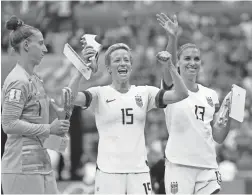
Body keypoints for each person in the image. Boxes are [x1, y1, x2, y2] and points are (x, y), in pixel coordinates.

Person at [65, 41, 189, 194]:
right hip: (108, 172)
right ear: (109, 69)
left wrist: (171, 66)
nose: (122, 63)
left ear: (131, 66)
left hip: (138, 172)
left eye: (126, 60)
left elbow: (181, 94)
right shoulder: (99, 93)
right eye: (117, 60)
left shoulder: (145, 92)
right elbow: (70, 98)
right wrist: (80, 69)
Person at [156, 13, 233, 194]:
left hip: (207, 166)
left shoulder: (211, 95)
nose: (192, 63)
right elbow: (168, 65)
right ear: (179, 63)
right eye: (187, 58)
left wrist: (229, 113)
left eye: (196, 59)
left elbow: (218, 137)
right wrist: (173, 37)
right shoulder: (171, 88)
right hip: (179, 165)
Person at [1, 16, 70, 194]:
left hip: (41, 166)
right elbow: (8, 124)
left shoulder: (36, 80)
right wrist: (49, 128)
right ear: (25, 45)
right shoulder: (18, 81)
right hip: (20, 169)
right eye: (40, 43)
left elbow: (43, 131)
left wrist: (59, 131)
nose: (45, 49)